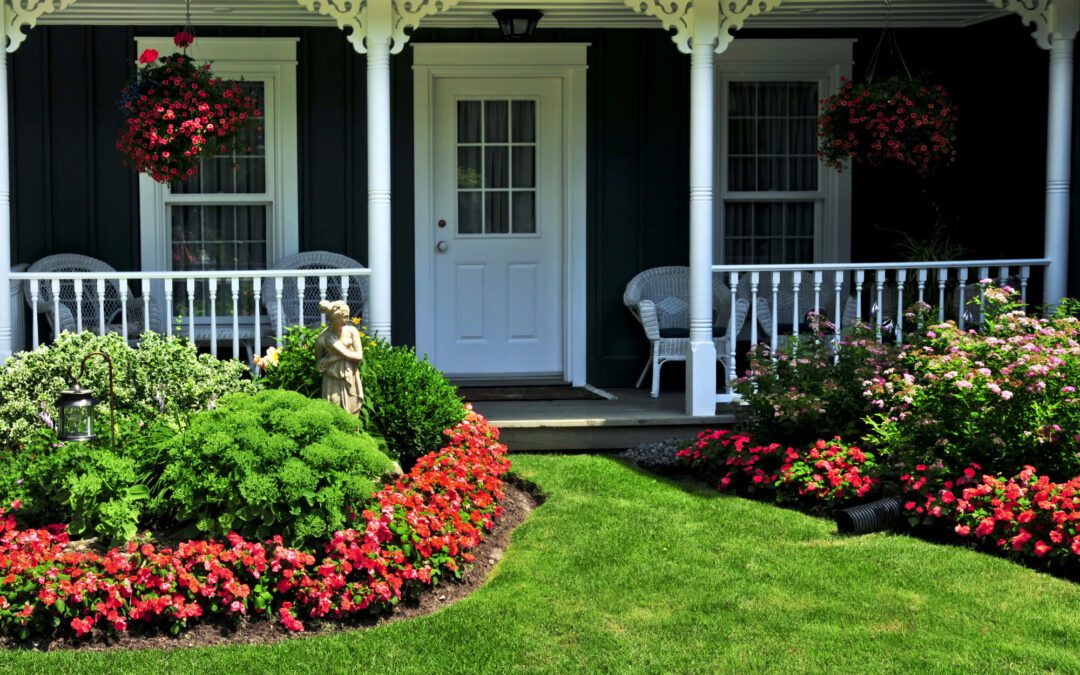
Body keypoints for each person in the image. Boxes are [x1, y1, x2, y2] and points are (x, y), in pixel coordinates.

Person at [314, 300, 364, 415]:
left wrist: (338, 347)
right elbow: (319, 366)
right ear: (335, 318)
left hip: (350, 376)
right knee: (333, 412)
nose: (348, 320)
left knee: (352, 415)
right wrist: (340, 355)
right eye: (345, 317)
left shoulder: (352, 331)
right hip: (331, 381)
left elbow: (359, 356)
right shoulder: (321, 338)